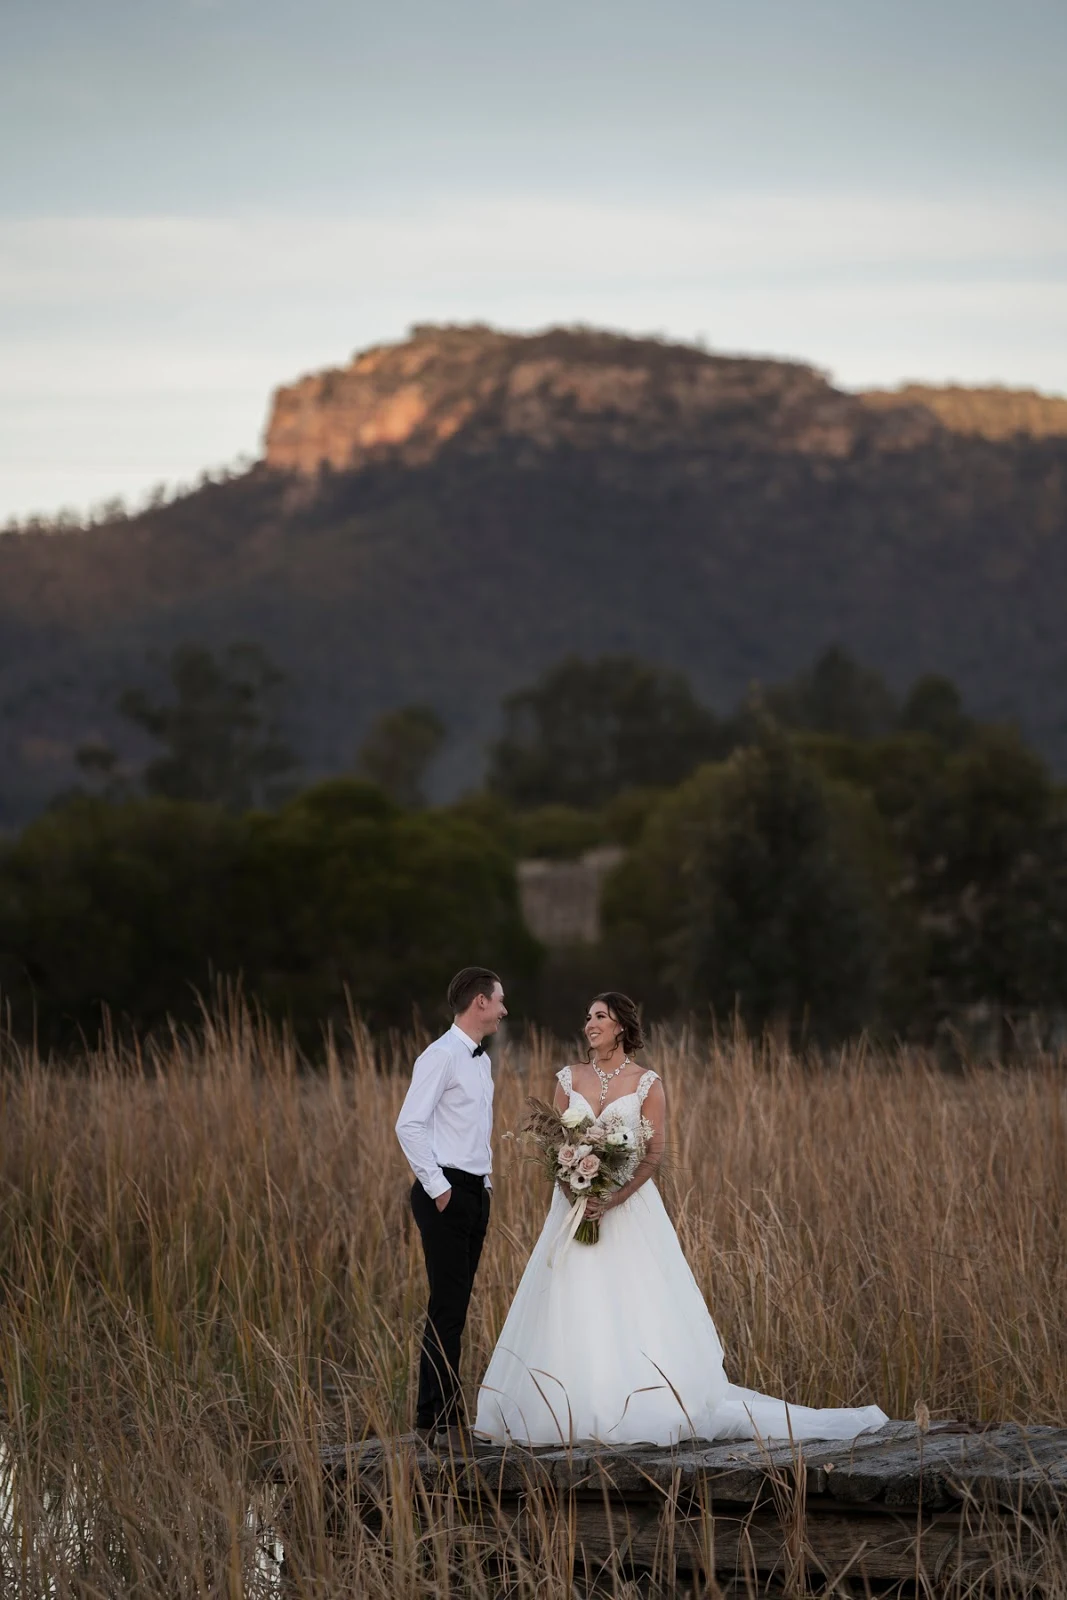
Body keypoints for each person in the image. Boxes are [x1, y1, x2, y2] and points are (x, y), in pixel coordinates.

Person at [476, 991, 888, 1446]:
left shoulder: (647, 1082)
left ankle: (636, 1403)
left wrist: (611, 1198)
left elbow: (653, 1155)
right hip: (573, 1210)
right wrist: (574, 1190)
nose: (589, 1023)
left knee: (634, 1301)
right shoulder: (567, 1079)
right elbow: (553, 1147)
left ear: (620, 1027)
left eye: (599, 1016)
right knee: (568, 1297)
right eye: (587, 1016)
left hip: (628, 1209)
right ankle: (565, 1404)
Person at [396, 966, 507, 1448]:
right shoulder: (439, 1056)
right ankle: (435, 1421)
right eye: (500, 1000)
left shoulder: (480, 1061)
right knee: (447, 1305)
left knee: (456, 1305)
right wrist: (441, 1189)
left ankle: (445, 1417)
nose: (505, 1008)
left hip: (473, 1192)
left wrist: (483, 1187)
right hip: (444, 1192)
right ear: (479, 1002)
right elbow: (409, 1125)